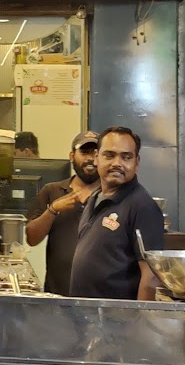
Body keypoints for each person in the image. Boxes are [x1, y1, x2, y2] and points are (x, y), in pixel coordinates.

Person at [69, 125, 165, 301]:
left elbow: (151, 277)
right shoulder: (95, 197)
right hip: (85, 313)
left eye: (126, 157)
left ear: (137, 162)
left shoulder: (142, 207)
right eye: (109, 155)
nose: (117, 163)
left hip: (115, 316)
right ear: (97, 157)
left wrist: (140, 317)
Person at [25, 131, 100, 295]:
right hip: (57, 294)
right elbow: (31, 239)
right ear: (72, 156)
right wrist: (53, 210)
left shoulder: (111, 195)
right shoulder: (52, 191)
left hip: (97, 296)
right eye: (84, 152)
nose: (90, 159)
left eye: (96, 153)